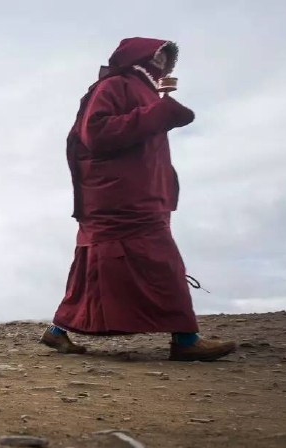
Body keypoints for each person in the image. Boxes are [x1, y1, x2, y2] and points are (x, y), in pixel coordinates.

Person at [41, 37, 236, 361]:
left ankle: (58, 331)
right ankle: (186, 339)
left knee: (96, 267)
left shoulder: (145, 92)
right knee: (163, 261)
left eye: (166, 60)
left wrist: (160, 113)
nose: (161, 64)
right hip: (119, 199)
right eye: (157, 56)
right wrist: (159, 113)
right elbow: (97, 133)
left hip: (134, 196)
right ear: (137, 56)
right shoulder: (114, 86)